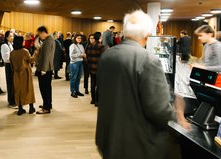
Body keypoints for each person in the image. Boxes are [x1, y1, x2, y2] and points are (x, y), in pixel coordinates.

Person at [96, 10, 176, 159]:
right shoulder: (148, 60)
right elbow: (158, 110)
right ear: (147, 35)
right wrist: (177, 115)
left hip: (109, 138)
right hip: (137, 145)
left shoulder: (107, 55)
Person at [10, 36, 36, 115]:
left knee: (18, 90)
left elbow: (11, 65)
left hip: (16, 74)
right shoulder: (25, 51)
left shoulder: (12, 53)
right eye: (23, 40)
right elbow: (31, 60)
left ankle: (20, 108)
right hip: (25, 73)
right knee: (28, 89)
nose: (24, 41)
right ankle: (31, 107)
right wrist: (36, 54)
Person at [35, 26, 55, 114]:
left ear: (43, 32)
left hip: (45, 69)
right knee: (47, 88)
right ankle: (47, 104)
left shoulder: (47, 41)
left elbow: (46, 56)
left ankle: (46, 108)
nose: (39, 36)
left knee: (44, 88)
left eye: (39, 34)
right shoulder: (49, 39)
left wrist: (43, 70)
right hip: (47, 68)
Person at [86, 32, 104, 105]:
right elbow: (104, 57)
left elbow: (87, 56)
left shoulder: (90, 46)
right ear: (99, 37)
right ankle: (97, 101)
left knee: (93, 84)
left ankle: (93, 99)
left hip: (91, 67)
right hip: (99, 68)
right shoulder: (101, 46)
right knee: (99, 85)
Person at [1, 30, 16, 107]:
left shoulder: (11, 44)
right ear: (6, 37)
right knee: (10, 83)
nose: (12, 37)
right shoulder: (4, 46)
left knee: (14, 83)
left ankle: (14, 99)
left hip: (13, 65)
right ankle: (11, 101)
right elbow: (6, 58)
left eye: (12, 36)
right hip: (8, 65)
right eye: (10, 36)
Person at [69, 34, 86, 98]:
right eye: (78, 38)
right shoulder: (72, 46)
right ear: (75, 39)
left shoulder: (81, 45)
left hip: (80, 62)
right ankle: (72, 91)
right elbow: (71, 55)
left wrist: (84, 55)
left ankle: (77, 90)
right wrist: (80, 55)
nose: (79, 39)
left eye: (80, 38)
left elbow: (82, 53)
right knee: (73, 78)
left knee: (78, 77)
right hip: (74, 63)